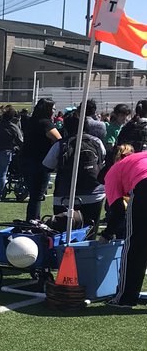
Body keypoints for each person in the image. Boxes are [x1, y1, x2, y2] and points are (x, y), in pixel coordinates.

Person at [102, 122, 147, 303]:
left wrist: (106, 234)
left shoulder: (111, 173)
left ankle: (125, 297)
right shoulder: (138, 158)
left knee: (135, 244)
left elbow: (118, 210)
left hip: (145, 184)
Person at [43, 112, 106, 227]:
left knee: (62, 232)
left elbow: (47, 166)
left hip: (65, 196)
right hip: (94, 194)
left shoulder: (61, 144)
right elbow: (102, 163)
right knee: (90, 232)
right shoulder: (97, 142)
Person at [19, 97, 62, 221]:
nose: (54, 111)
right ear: (48, 109)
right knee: (37, 195)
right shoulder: (46, 123)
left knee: (34, 194)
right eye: (53, 109)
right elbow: (59, 140)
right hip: (39, 161)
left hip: (25, 159)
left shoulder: (30, 121)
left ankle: (32, 219)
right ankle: (33, 220)